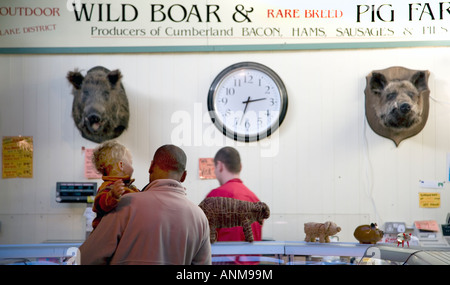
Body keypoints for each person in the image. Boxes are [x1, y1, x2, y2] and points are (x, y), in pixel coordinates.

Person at [79, 144, 211, 265]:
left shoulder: (125, 204)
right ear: (183, 176)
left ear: (151, 167)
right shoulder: (200, 217)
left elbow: (85, 259)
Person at [205, 146, 263, 264]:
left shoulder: (214, 197)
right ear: (240, 167)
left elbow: (202, 240)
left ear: (220, 166)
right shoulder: (255, 200)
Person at [91, 140, 139, 230]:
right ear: (121, 165)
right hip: (106, 235)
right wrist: (112, 196)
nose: (132, 166)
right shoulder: (108, 187)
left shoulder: (127, 186)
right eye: (131, 162)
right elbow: (100, 203)